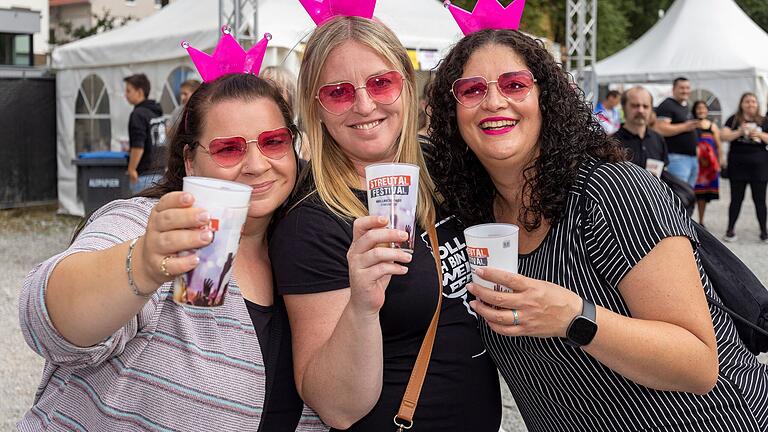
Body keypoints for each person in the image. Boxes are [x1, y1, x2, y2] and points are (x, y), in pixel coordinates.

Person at [427, 28, 768, 432]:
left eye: (514, 84)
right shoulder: (473, 219)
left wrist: (574, 317)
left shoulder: (612, 190)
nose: (495, 101)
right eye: (471, 90)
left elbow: (698, 363)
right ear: (452, 114)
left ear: (546, 100)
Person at [17, 74, 325, 432]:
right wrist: (143, 265)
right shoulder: (151, 226)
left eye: (273, 142)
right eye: (229, 148)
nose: (256, 165)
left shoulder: (305, 248)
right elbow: (45, 319)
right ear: (190, 162)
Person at [269, 15, 501, 431]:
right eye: (338, 93)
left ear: (407, 88)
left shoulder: (446, 170)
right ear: (316, 108)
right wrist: (362, 305)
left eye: (381, 83)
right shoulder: (312, 222)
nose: (364, 105)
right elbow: (336, 407)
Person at [720, 92, 768, 242]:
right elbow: (723, 136)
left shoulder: (764, 120)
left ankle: (764, 231)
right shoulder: (733, 119)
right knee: (736, 199)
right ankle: (730, 230)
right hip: (738, 166)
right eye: (747, 102)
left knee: (760, 200)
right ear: (741, 104)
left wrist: (759, 135)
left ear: (757, 104)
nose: (750, 104)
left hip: (760, 167)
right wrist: (740, 131)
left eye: (753, 102)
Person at [654, 77, 701, 187]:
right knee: (679, 195)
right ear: (674, 89)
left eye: (687, 88)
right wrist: (685, 127)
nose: (685, 91)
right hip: (677, 158)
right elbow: (660, 129)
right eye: (682, 88)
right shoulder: (667, 105)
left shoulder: (686, 105)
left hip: (692, 159)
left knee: (688, 195)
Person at [124, 73, 166, 193]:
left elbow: (138, 146)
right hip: (160, 174)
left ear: (140, 92)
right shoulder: (156, 112)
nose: (125, 95)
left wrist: (131, 169)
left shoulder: (138, 114)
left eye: (128, 91)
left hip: (144, 176)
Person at [613, 86, 668, 175]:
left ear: (651, 110)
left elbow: (663, 171)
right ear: (623, 108)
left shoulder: (658, 139)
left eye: (645, 106)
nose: (641, 110)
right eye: (635, 105)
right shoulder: (612, 143)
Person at [691, 100, 722, 227]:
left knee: (702, 195)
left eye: (703, 108)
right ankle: (687, 220)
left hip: (707, 167)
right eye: (698, 108)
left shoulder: (712, 126)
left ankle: (701, 221)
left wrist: (720, 162)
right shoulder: (690, 125)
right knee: (690, 192)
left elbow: (718, 146)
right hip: (694, 164)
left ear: (707, 110)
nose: (701, 110)